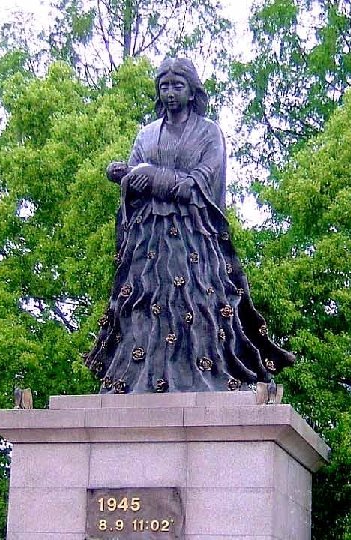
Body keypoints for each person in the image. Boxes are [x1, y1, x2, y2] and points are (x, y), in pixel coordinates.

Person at [85, 58, 294, 394]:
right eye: (164, 86)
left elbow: (198, 184)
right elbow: (137, 180)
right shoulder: (147, 134)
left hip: (192, 239)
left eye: (177, 86)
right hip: (148, 241)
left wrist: (154, 177)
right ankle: (141, 380)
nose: (170, 93)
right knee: (142, 306)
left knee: (195, 306)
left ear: (192, 89)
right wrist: (126, 176)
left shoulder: (209, 133)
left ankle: (204, 375)